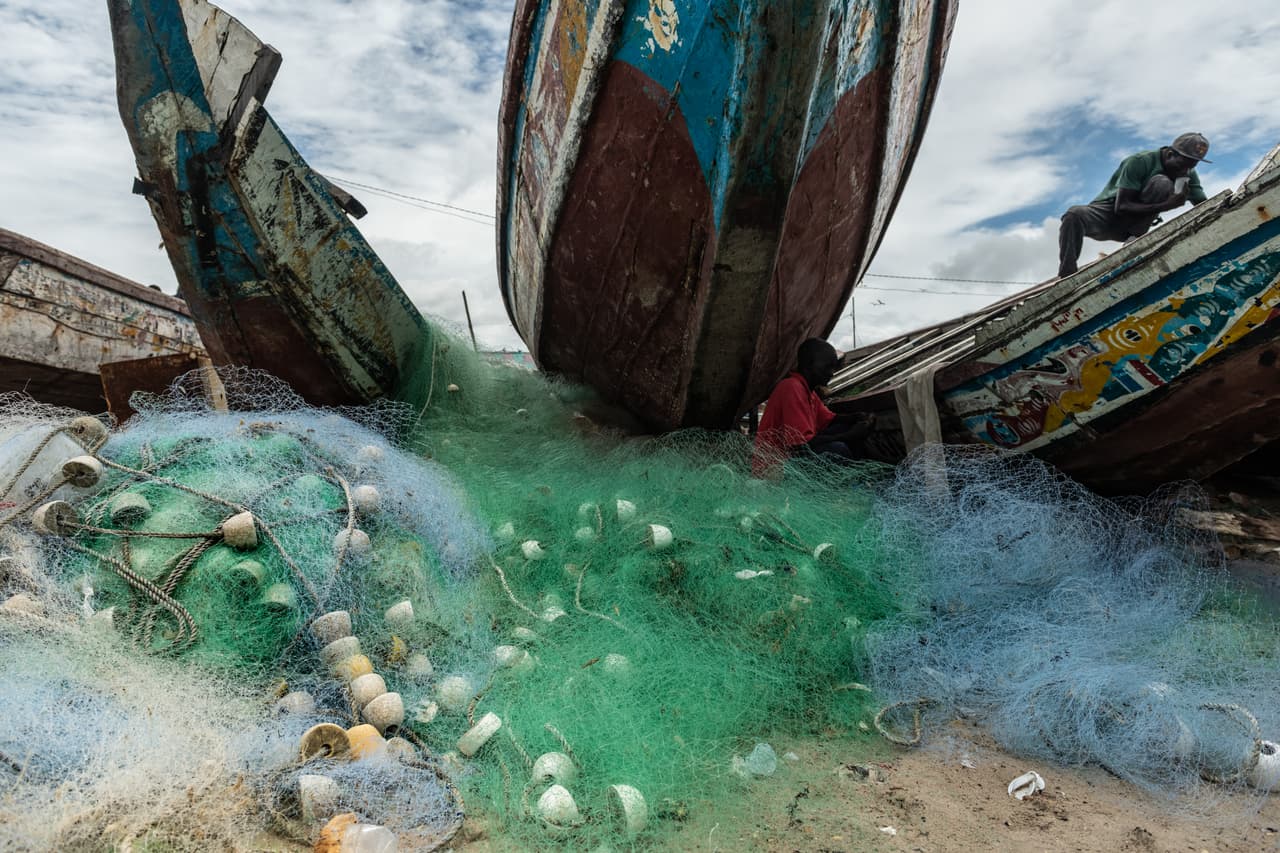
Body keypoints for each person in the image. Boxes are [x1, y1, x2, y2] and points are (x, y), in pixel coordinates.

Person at [1057, 132, 1211, 278]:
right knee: (1073, 214)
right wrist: (1167, 205)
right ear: (1170, 154)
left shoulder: (1188, 173)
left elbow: (1204, 205)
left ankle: (1133, 244)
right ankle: (1067, 274)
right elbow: (1122, 206)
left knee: (1162, 183)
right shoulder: (1140, 161)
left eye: (1192, 165)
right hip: (1108, 214)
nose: (1185, 170)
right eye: (1182, 164)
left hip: (1134, 227)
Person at [751, 338, 874, 478]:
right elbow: (800, 447)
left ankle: (852, 478)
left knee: (847, 429)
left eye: (833, 367)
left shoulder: (809, 391)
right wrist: (848, 436)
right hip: (775, 467)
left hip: (794, 455)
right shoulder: (792, 387)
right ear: (808, 365)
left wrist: (859, 417)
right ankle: (845, 485)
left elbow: (830, 419)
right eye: (827, 367)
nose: (831, 373)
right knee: (838, 449)